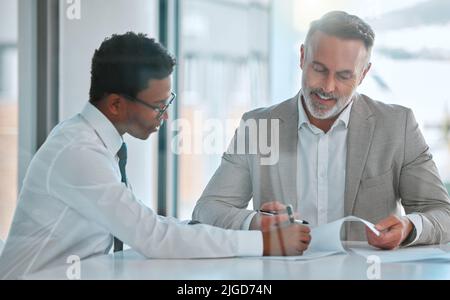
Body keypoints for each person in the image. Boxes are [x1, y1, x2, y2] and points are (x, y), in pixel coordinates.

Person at [0, 32, 311, 279]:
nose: (164, 117)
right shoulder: (78, 153)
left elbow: (145, 224)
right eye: (157, 106)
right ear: (115, 105)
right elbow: (152, 237)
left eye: (168, 102)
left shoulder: (97, 143)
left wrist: (252, 226)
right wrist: (266, 244)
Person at [192, 11, 450, 250]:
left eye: (344, 76)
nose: (327, 87)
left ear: (363, 74)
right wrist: (258, 224)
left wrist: (410, 226)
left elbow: (442, 215)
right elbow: (207, 209)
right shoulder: (258, 126)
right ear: (302, 57)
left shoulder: (397, 125)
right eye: (319, 69)